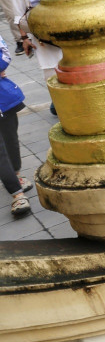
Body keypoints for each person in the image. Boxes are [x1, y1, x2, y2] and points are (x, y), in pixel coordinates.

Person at [10, 0, 61, 115]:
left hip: (65, 28)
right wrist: (24, 38)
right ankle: (58, 101)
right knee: (51, 68)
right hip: (43, 34)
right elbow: (20, 15)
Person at [0, 35, 32, 216]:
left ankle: (16, 174)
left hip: (3, 99)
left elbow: (4, 56)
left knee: (11, 139)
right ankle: (17, 194)